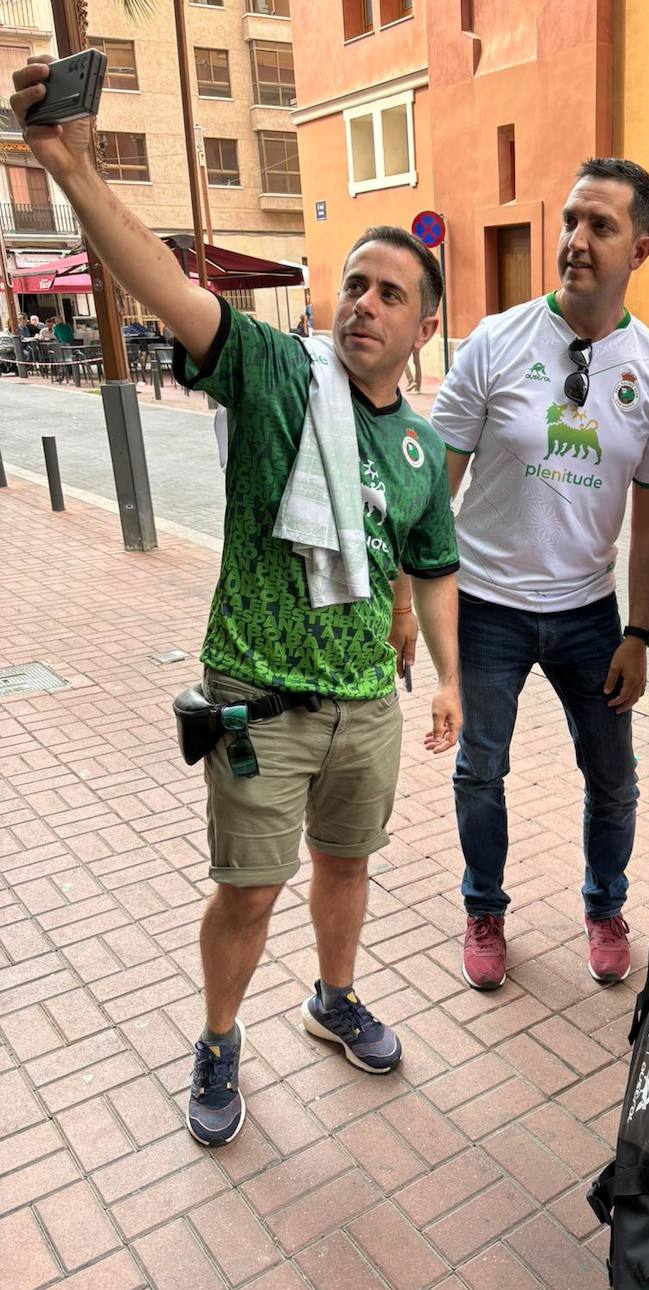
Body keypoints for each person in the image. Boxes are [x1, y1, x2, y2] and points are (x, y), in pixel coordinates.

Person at [11, 54, 462, 1147]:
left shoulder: (418, 441)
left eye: (390, 294)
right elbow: (162, 284)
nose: (363, 304)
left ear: (421, 328)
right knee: (249, 892)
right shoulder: (272, 369)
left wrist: (450, 680)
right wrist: (71, 168)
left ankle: (333, 997)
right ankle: (218, 1038)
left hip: (365, 700)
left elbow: (431, 563)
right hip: (259, 697)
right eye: (353, 284)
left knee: (346, 868)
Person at [424, 157, 649, 992]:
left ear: (639, 248)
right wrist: (413, 598)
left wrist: (639, 632)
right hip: (486, 608)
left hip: (588, 616)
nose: (576, 241)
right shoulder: (495, 342)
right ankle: (484, 907)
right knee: (479, 769)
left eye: (600, 226)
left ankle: (604, 905)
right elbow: (435, 484)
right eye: (571, 220)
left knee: (614, 779)